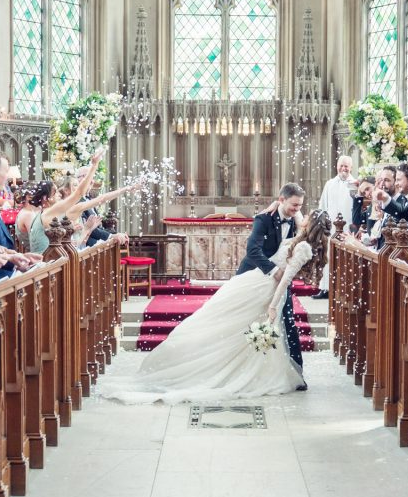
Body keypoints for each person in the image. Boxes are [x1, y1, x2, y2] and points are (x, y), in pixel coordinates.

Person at [102, 208, 331, 404]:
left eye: (308, 216)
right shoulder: (301, 238)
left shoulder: (303, 248)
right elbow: (296, 212)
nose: (302, 215)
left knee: (235, 326)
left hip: (265, 290)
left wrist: (273, 306)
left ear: (311, 225)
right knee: (220, 317)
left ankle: (228, 369)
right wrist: (277, 203)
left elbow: (284, 280)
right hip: (254, 282)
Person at [237, 183, 308, 380]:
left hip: (281, 281)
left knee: (288, 320)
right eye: (294, 205)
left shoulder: (296, 219)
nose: (297, 209)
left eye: (300, 206)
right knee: (245, 320)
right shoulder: (263, 219)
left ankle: (297, 374)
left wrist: (282, 274)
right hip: (254, 275)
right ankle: (241, 369)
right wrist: (274, 271)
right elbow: (252, 250)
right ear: (281, 200)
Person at [315, 156, 357, 297]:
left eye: (346, 166)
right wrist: (322, 224)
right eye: (341, 165)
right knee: (328, 258)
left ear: (351, 167)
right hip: (331, 228)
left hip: (348, 229)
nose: (344, 168)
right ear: (337, 166)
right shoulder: (330, 183)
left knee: (346, 259)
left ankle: (344, 290)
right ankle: (326, 288)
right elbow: (323, 205)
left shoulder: (355, 184)